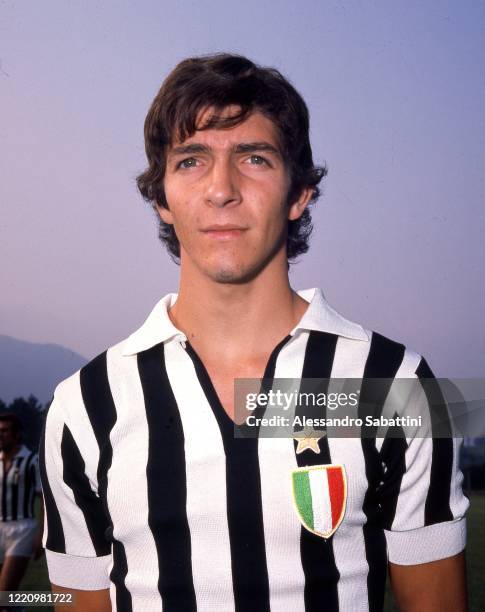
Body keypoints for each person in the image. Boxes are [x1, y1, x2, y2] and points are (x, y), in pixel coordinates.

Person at [39, 53, 469, 611]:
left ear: (298, 194)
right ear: (161, 197)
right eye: (191, 160)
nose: (222, 189)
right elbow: (77, 602)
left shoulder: (399, 386)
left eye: (255, 158)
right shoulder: (82, 406)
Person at [0, 413, 43, 610]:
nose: (1, 435)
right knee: (7, 597)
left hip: (23, 529)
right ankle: (20, 608)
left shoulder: (31, 461)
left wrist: (41, 535)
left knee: (4, 591)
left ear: (17, 434)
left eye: (4, 431)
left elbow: (42, 499)